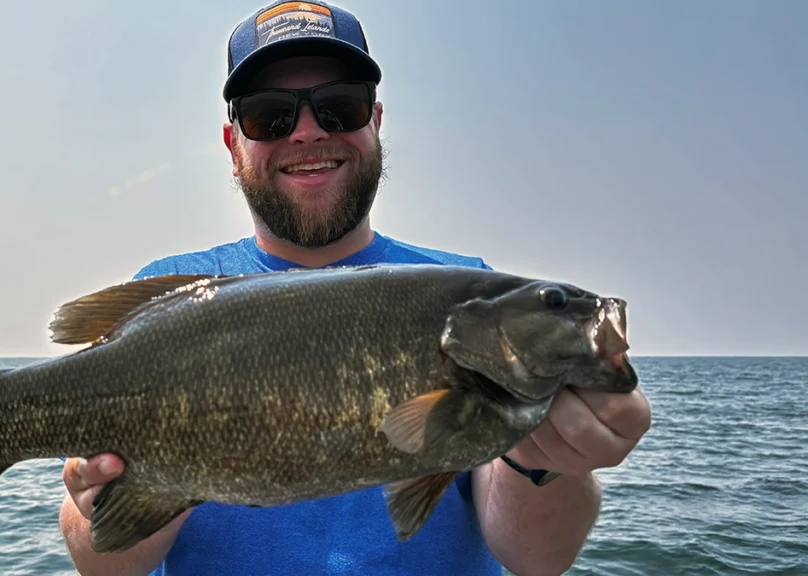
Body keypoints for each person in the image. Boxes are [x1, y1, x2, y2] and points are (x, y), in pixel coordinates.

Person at [58, 2, 652, 575]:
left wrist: (545, 463)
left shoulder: (460, 281)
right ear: (232, 143)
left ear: (376, 121)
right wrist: (103, 506)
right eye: (270, 115)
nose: (308, 133)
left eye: (340, 107)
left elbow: (537, 560)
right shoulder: (163, 302)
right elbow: (104, 565)